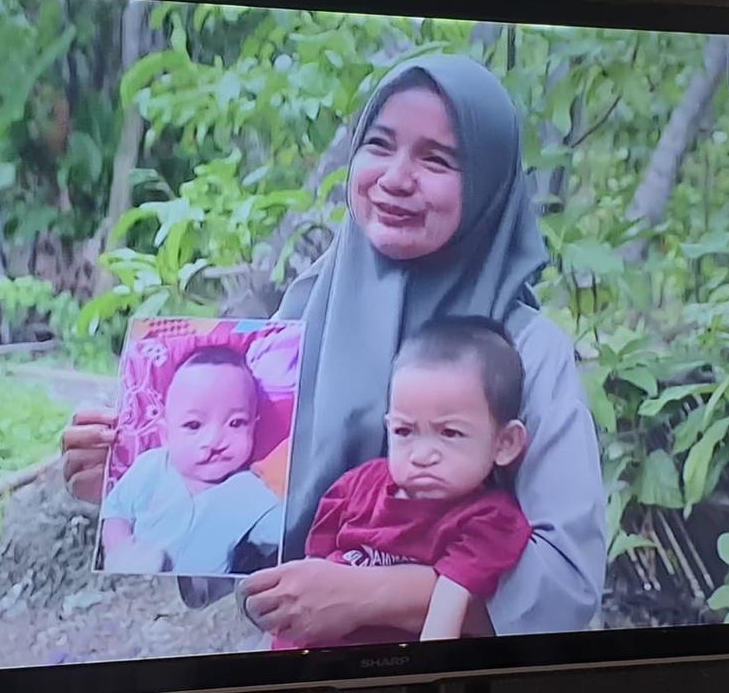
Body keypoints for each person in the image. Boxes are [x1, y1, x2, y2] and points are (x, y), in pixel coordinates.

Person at [63, 53, 606, 643]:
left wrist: (369, 594)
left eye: (437, 159)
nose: (396, 177)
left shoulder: (526, 351)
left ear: (488, 185)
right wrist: (127, 488)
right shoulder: (304, 318)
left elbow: (566, 582)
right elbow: (250, 520)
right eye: (379, 144)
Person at [275, 316, 532, 649]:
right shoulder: (355, 486)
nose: (422, 455)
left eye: (450, 433)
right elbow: (313, 570)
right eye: (404, 431)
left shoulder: (489, 520)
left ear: (505, 443)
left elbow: (448, 607)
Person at [97, 346, 280, 575]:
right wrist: (120, 553)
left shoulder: (251, 492)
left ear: (254, 426)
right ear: (165, 434)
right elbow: (115, 512)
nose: (214, 441)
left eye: (236, 423)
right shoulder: (151, 467)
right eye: (193, 425)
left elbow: (283, 534)